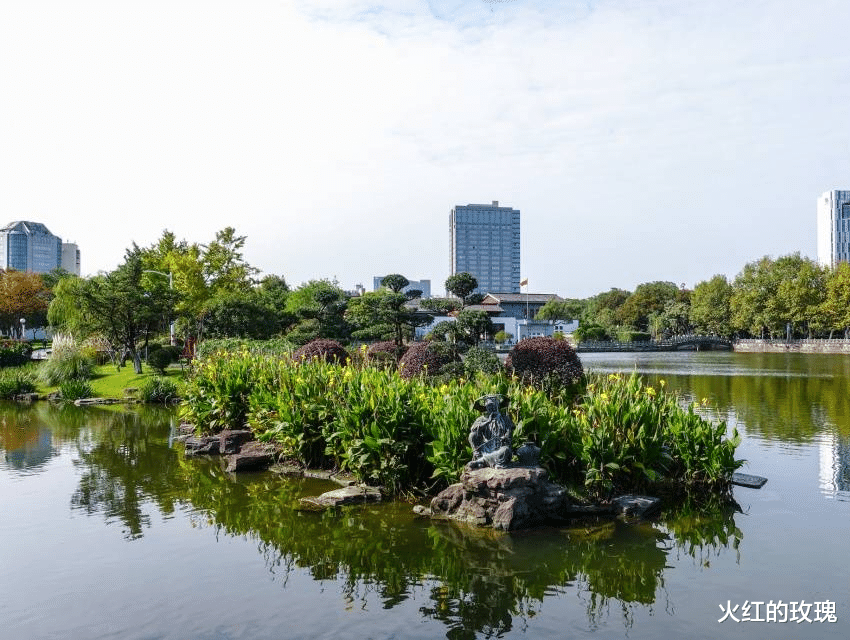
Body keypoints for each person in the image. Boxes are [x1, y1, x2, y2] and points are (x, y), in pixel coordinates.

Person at [467, 394, 514, 469]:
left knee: (506, 450)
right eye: (489, 406)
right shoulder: (481, 419)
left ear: (497, 406)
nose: (491, 408)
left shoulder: (504, 418)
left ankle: (481, 461)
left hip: (500, 447)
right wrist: (488, 421)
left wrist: (505, 437)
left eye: (493, 405)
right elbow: (474, 431)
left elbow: (509, 430)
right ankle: (483, 460)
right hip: (486, 447)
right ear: (486, 407)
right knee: (472, 435)